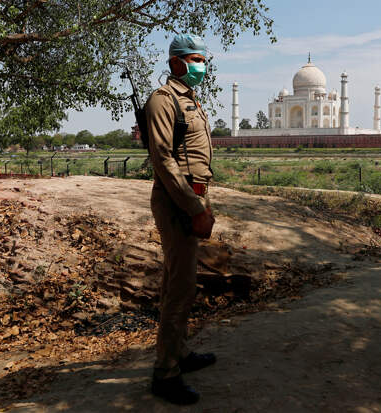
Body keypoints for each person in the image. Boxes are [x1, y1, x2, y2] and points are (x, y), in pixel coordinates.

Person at [146, 33, 216, 405]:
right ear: (176, 63)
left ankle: (180, 353)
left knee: (179, 281)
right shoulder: (163, 100)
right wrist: (195, 207)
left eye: (203, 60)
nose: (201, 67)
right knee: (181, 288)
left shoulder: (189, 100)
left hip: (193, 195)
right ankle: (165, 373)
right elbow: (163, 159)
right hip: (178, 201)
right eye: (195, 59)